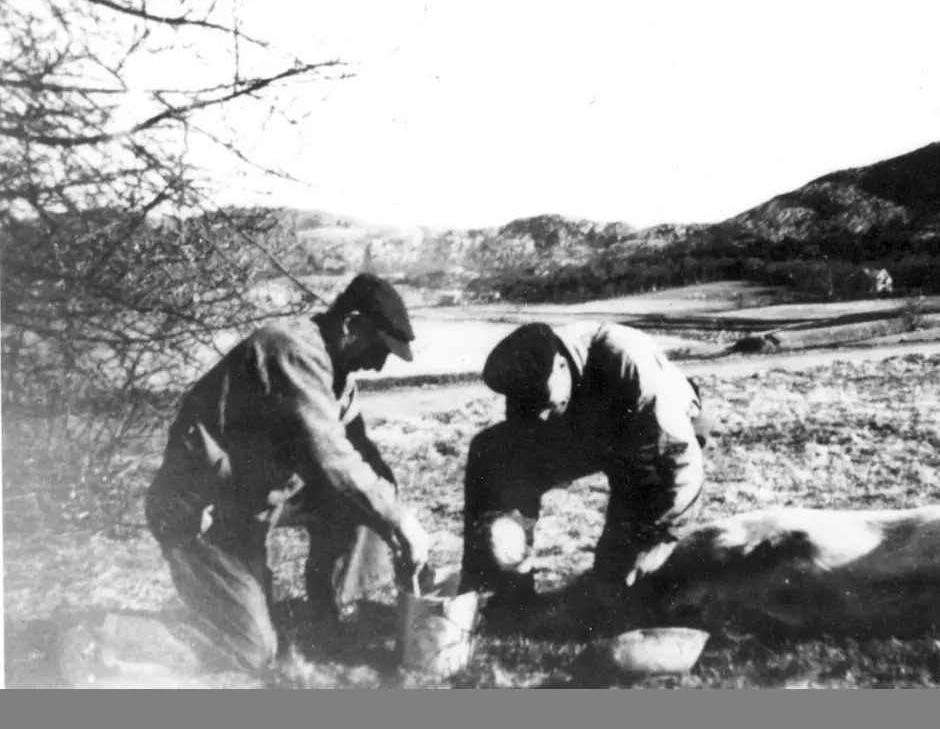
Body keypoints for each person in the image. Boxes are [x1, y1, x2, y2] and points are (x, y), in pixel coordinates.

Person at [139, 272, 430, 678]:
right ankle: (103, 636)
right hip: (198, 512)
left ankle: (325, 617)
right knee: (252, 652)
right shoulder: (291, 352)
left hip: (249, 503)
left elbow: (362, 454)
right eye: (378, 348)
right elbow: (334, 460)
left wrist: (395, 525)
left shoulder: (336, 372)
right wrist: (400, 521)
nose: (379, 365)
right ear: (350, 325)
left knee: (366, 502)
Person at [459, 321, 711, 606]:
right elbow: (522, 438)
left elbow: (678, 465)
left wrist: (649, 546)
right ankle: (500, 594)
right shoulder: (535, 381)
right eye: (527, 406)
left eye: (541, 401)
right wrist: (504, 535)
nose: (537, 416)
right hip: (584, 427)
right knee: (491, 453)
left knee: (620, 581)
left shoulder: (629, 362)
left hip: (653, 437)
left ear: (561, 365)